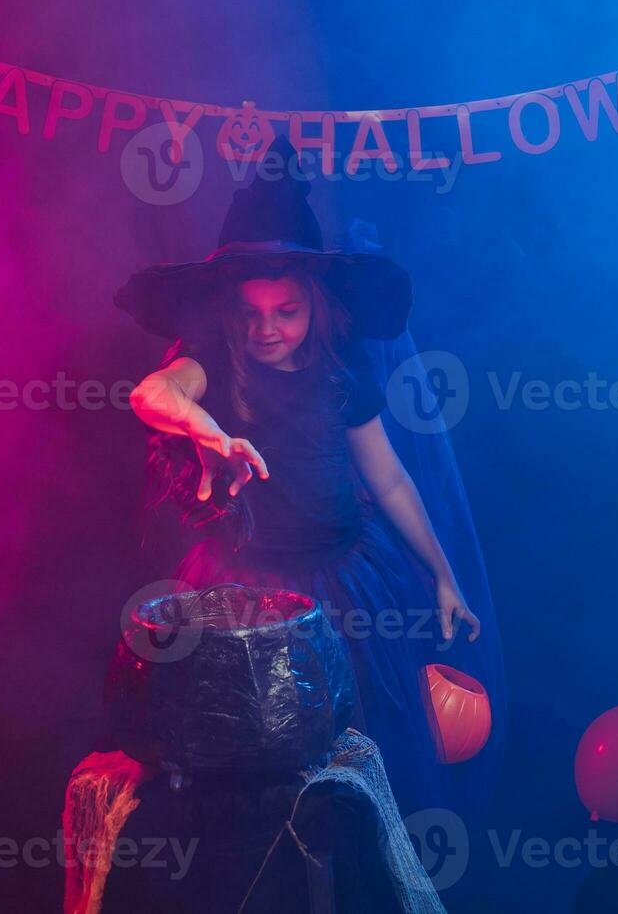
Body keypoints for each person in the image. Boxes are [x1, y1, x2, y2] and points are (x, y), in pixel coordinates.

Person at [114, 138, 489, 817]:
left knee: (348, 754)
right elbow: (151, 395)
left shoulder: (342, 370)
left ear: (315, 304)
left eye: (285, 310)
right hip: (244, 591)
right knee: (253, 766)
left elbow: (391, 480)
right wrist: (207, 429)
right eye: (252, 312)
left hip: (344, 585)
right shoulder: (213, 364)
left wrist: (441, 573)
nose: (268, 328)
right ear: (230, 310)